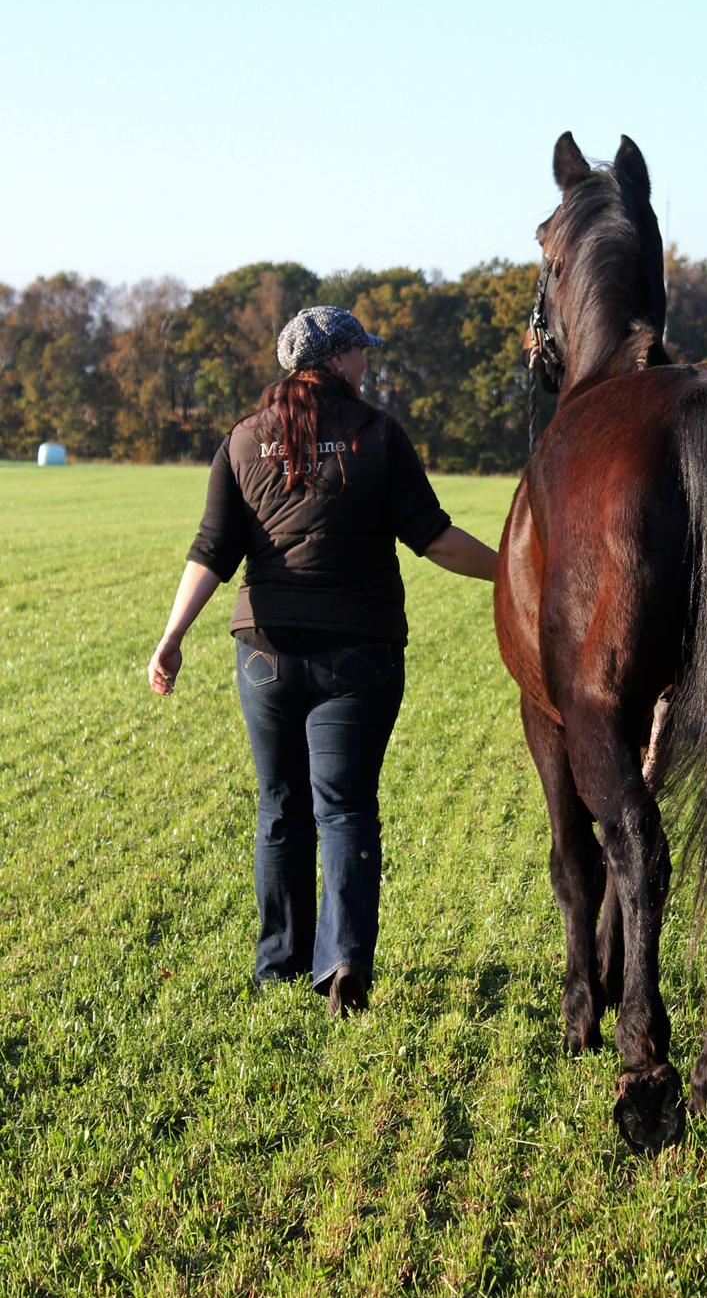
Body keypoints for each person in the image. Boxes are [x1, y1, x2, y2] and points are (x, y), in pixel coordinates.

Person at [147, 305, 497, 1017]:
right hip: (358, 656)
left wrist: (171, 635)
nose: (367, 363)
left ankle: (278, 964)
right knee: (343, 809)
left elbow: (212, 550)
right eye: (360, 353)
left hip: (264, 657)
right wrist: (520, 573)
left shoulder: (244, 440)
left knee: (280, 808)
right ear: (337, 362)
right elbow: (434, 539)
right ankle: (341, 965)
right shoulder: (377, 436)